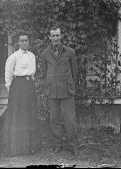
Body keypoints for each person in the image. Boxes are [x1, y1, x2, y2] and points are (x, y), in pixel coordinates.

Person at [41, 25, 78, 155]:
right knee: (54, 119)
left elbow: (74, 72)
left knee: (70, 120)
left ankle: (73, 145)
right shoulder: (45, 54)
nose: (55, 38)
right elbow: (45, 73)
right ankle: (57, 144)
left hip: (67, 91)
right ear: (49, 37)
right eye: (53, 35)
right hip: (52, 91)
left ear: (61, 36)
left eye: (58, 35)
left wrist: (70, 85)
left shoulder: (70, 52)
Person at [3, 32, 42, 156]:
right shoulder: (13, 57)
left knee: (29, 114)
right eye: (22, 40)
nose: (24, 42)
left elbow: (33, 73)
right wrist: (11, 90)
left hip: (29, 86)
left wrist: (29, 83)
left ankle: (30, 147)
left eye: (26, 40)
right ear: (18, 43)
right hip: (17, 88)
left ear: (29, 42)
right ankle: (17, 149)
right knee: (18, 116)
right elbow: (8, 75)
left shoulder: (32, 56)